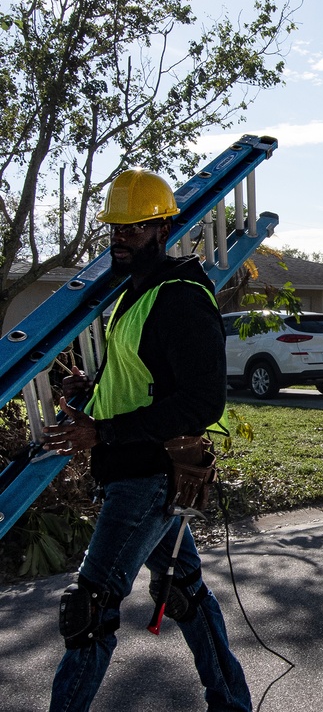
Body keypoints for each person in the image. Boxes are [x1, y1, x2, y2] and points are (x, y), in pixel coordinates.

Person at [43, 169, 252, 712]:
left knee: (89, 610)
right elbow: (144, 379)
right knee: (182, 592)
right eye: (115, 229)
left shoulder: (180, 297)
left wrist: (103, 431)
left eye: (134, 229)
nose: (120, 238)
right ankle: (231, 702)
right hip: (127, 469)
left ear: (162, 228)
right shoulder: (135, 294)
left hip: (148, 476)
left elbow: (203, 402)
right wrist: (90, 391)